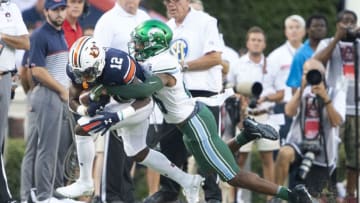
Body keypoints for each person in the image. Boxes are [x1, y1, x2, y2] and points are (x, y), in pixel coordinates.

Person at [104, 19, 313, 203]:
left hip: (195, 125)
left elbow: (144, 88)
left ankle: (292, 195)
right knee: (212, 162)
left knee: (232, 176)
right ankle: (247, 135)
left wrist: (108, 86)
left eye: (140, 42)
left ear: (154, 44)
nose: (136, 46)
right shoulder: (154, 61)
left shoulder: (163, 63)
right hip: (191, 123)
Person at [55, 36, 205, 203]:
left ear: (99, 63)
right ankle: (188, 181)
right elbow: (72, 101)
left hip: (138, 106)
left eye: (87, 73)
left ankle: (85, 182)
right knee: (137, 152)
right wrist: (85, 109)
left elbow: (145, 98)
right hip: (119, 104)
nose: (83, 78)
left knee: (82, 128)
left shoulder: (118, 65)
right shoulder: (79, 67)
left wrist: (117, 116)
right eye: (79, 73)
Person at [145, 0, 224, 202]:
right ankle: (168, 191)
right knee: (170, 145)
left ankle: (212, 196)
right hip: (175, 95)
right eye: (167, 1)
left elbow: (215, 58)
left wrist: (181, 66)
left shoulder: (206, 21)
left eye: (176, 0)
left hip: (204, 93)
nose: (171, 4)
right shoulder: (166, 28)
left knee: (206, 147)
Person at [92, 1, 151, 202]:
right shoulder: (107, 21)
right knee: (114, 153)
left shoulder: (144, 18)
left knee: (132, 151)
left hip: (141, 97)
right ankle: (111, 196)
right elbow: (96, 61)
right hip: (116, 97)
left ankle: (126, 195)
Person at [26, 0, 78, 202]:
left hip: (61, 96)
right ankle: (43, 195)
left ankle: (56, 192)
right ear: (46, 11)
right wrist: (61, 90)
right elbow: (37, 70)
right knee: (46, 149)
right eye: (55, 10)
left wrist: (67, 92)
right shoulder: (40, 35)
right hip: (48, 95)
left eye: (62, 9)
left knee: (60, 150)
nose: (60, 13)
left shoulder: (60, 34)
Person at [273, 59, 345, 201]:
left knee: (312, 197)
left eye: (314, 72)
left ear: (323, 74)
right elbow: (289, 111)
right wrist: (300, 90)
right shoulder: (302, 92)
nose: (310, 75)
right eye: (306, 72)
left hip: (323, 151)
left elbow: (337, 121)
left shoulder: (335, 93)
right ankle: (276, 196)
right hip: (299, 143)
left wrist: (326, 98)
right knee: (284, 153)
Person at [228, 26, 284, 202]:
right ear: (247, 42)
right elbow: (228, 88)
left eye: (259, 40)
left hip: (265, 114)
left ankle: (270, 199)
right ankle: (233, 199)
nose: (256, 43)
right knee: (238, 160)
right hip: (243, 116)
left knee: (268, 159)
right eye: (253, 40)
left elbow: (281, 93)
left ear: (264, 44)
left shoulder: (272, 65)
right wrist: (240, 96)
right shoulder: (237, 64)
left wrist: (265, 97)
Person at [313, 9, 360, 203]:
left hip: (356, 107)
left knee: (355, 156)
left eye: (352, 22)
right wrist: (337, 39)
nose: (348, 25)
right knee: (329, 153)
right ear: (338, 24)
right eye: (344, 21)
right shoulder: (327, 43)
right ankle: (327, 194)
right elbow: (318, 62)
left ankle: (350, 195)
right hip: (335, 107)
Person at [0, 1, 30, 203]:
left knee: (1, 141)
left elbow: (25, 42)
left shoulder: (10, 7)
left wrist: (2, 37)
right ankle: (5, 197)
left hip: (5, 78)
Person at [267, 14, 306, 145]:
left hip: (306, 106)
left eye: (297, 27)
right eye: (290, 27)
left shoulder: (312, 53)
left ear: (304, 31)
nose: (294, 30)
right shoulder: (275, 56)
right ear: (285, 31)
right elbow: (267, 84)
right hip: (283, 107)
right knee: (281, 148)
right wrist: (274, 98)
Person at [286, 14, 328, 90]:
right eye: (315, 26)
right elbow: (295, 86)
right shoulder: (300, 54)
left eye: (322, 26)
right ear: (307, 29)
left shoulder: (330, 49)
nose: (319, 29)